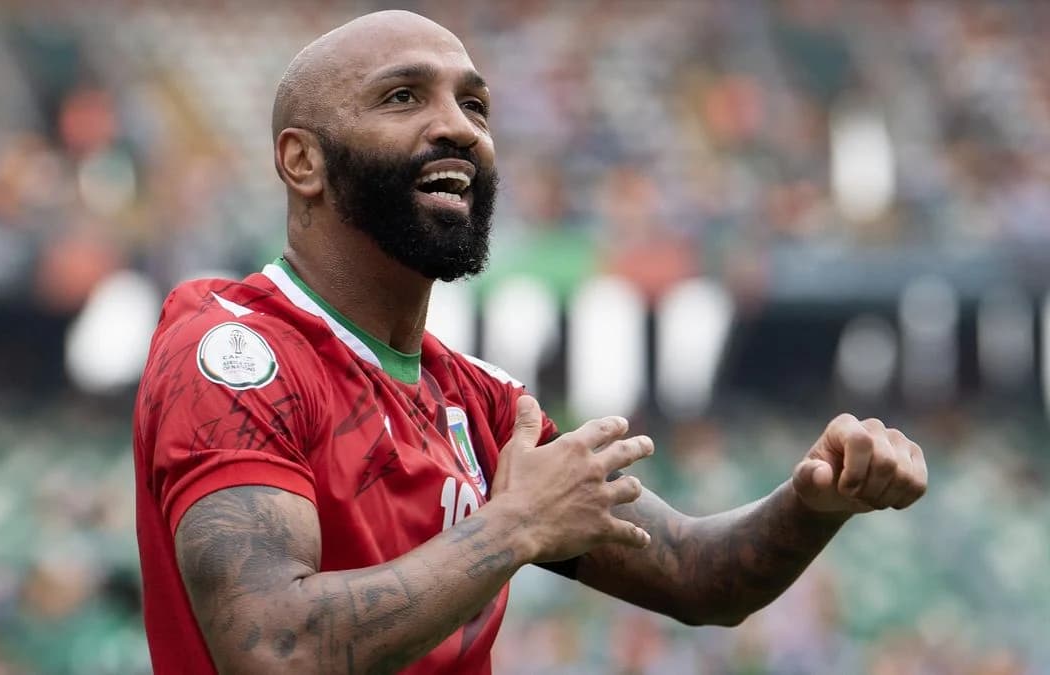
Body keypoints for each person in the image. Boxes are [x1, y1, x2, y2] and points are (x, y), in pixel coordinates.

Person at [132, 10, 928, 675]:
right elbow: (274, 649)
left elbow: (698, 576)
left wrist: (812, 501)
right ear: (302, 161)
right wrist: (512, 528)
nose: (458, 127)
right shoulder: (233, 357)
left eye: (475, 106)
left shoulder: (478, 402)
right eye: (403, 97)